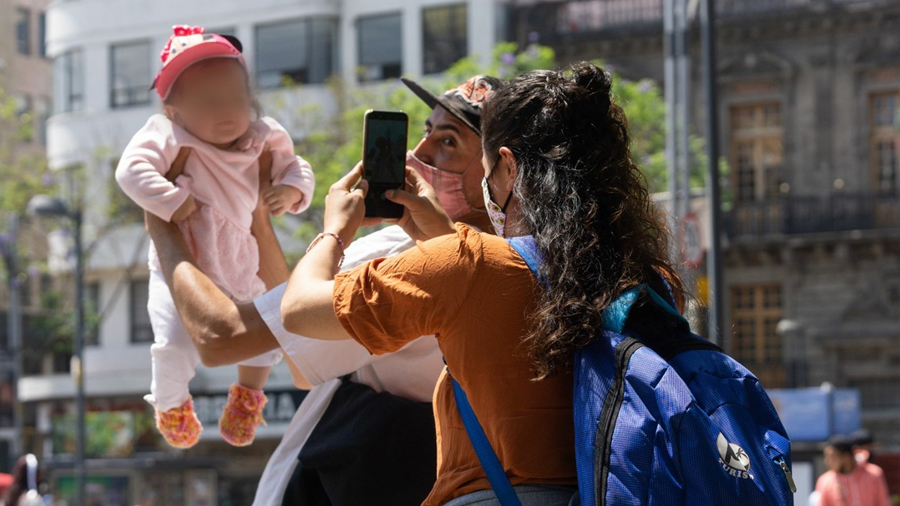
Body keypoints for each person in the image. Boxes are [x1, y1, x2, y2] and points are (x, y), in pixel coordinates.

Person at [279, 62, 682, 505]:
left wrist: (335, 230)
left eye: (485, 164)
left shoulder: (467, 264)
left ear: (506, 167)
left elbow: (299, 311)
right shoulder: (651, 279)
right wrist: (438, 236)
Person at [146, 75, 500, 505]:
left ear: (501, 167)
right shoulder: (516, 264)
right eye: (426, 131)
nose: (418, 152)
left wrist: (160, 221)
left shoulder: (404, 258)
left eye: (448, 142)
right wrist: (259, 217)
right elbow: (298, 342)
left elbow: (222, 338)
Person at [115, 25, 316, 449]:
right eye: (208, 102)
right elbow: (130, 173)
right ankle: (171, 403)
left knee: (266, 337)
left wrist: (292, 191)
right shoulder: (167, 136)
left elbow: (298, 167)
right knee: (171, 344)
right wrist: (170, 200)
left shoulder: (263, 136)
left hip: (241, 258)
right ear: (173, 111)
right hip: (181, 268)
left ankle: (248, 396)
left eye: (235, 99)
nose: (226, 110)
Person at [815, 435, 891, 506]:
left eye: (832, 457)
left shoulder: (873, 474)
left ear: (846, 457)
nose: (827, 462)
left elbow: (883, 502)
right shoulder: (825, 481)